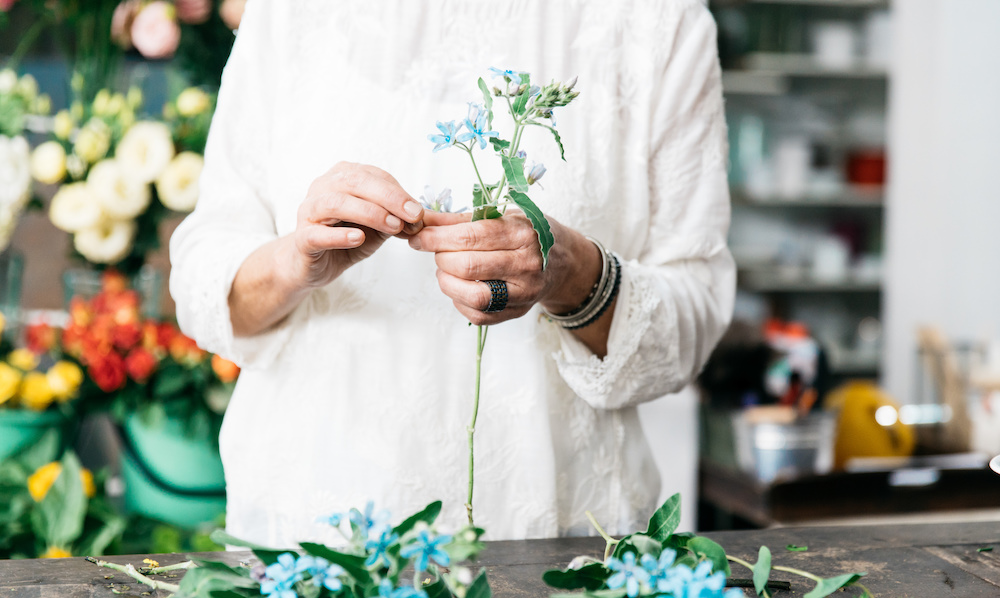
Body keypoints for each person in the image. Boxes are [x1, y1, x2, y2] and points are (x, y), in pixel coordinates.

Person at [169, 0, 735, 547]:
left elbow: (694, 318)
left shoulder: (659, 20)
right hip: (316, 533)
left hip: (557, 546)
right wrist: (296, 259)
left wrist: (574, 276)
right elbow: (204, 286)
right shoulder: (290, 10)